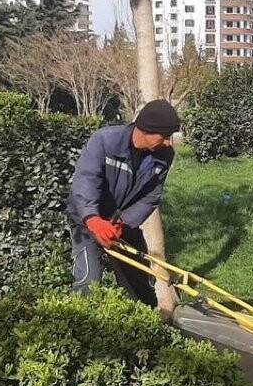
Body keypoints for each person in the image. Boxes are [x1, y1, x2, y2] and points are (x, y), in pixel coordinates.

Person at [68, 99, 180, 315]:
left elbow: (150, 197)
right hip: (86, 219)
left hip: (120, 221)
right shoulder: (105, 141)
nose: (168, 142)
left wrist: (123, 222)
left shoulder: (164, 155)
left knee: (139, 280)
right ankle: (82, 323)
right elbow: (86, 180)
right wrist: (92, 219)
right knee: (88, 280)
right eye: (164, 136)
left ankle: (146, 325)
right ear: (145, 129)